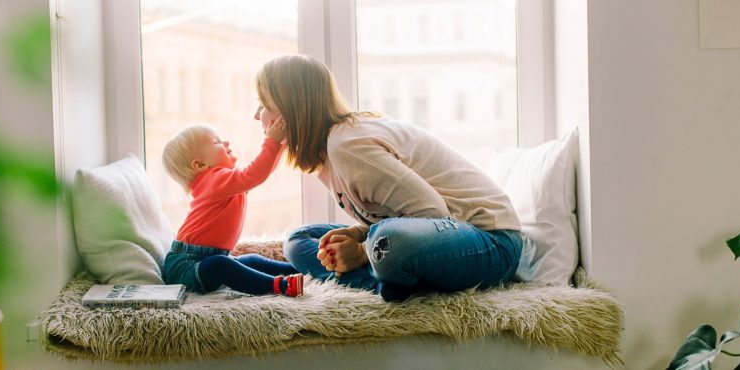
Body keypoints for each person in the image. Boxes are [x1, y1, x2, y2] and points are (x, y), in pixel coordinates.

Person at [254, 54, 524, 302]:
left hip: (490, 241)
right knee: (299, 240)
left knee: (388, 242)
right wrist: (358, 235)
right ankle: (387, 282)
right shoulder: (329, 153)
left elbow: (433, 213)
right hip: (432, 235)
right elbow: (395, 216)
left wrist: (360, 250)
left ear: (292, 111)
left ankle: (384, 275)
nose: (257, 115)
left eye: (264, 105)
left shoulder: (348, 146)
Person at [160, 118, 304, 297]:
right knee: (221, 265)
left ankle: (299, 270)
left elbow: (260, 174)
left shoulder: (222, 182)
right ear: (199, 164)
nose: (225, 142)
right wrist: (273, 142)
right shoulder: (214, 180)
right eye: (217, 142)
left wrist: (281, 145)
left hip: (205, 258)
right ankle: (280, 286)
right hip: (185, 267)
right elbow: (255, 174)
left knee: (250, 260)